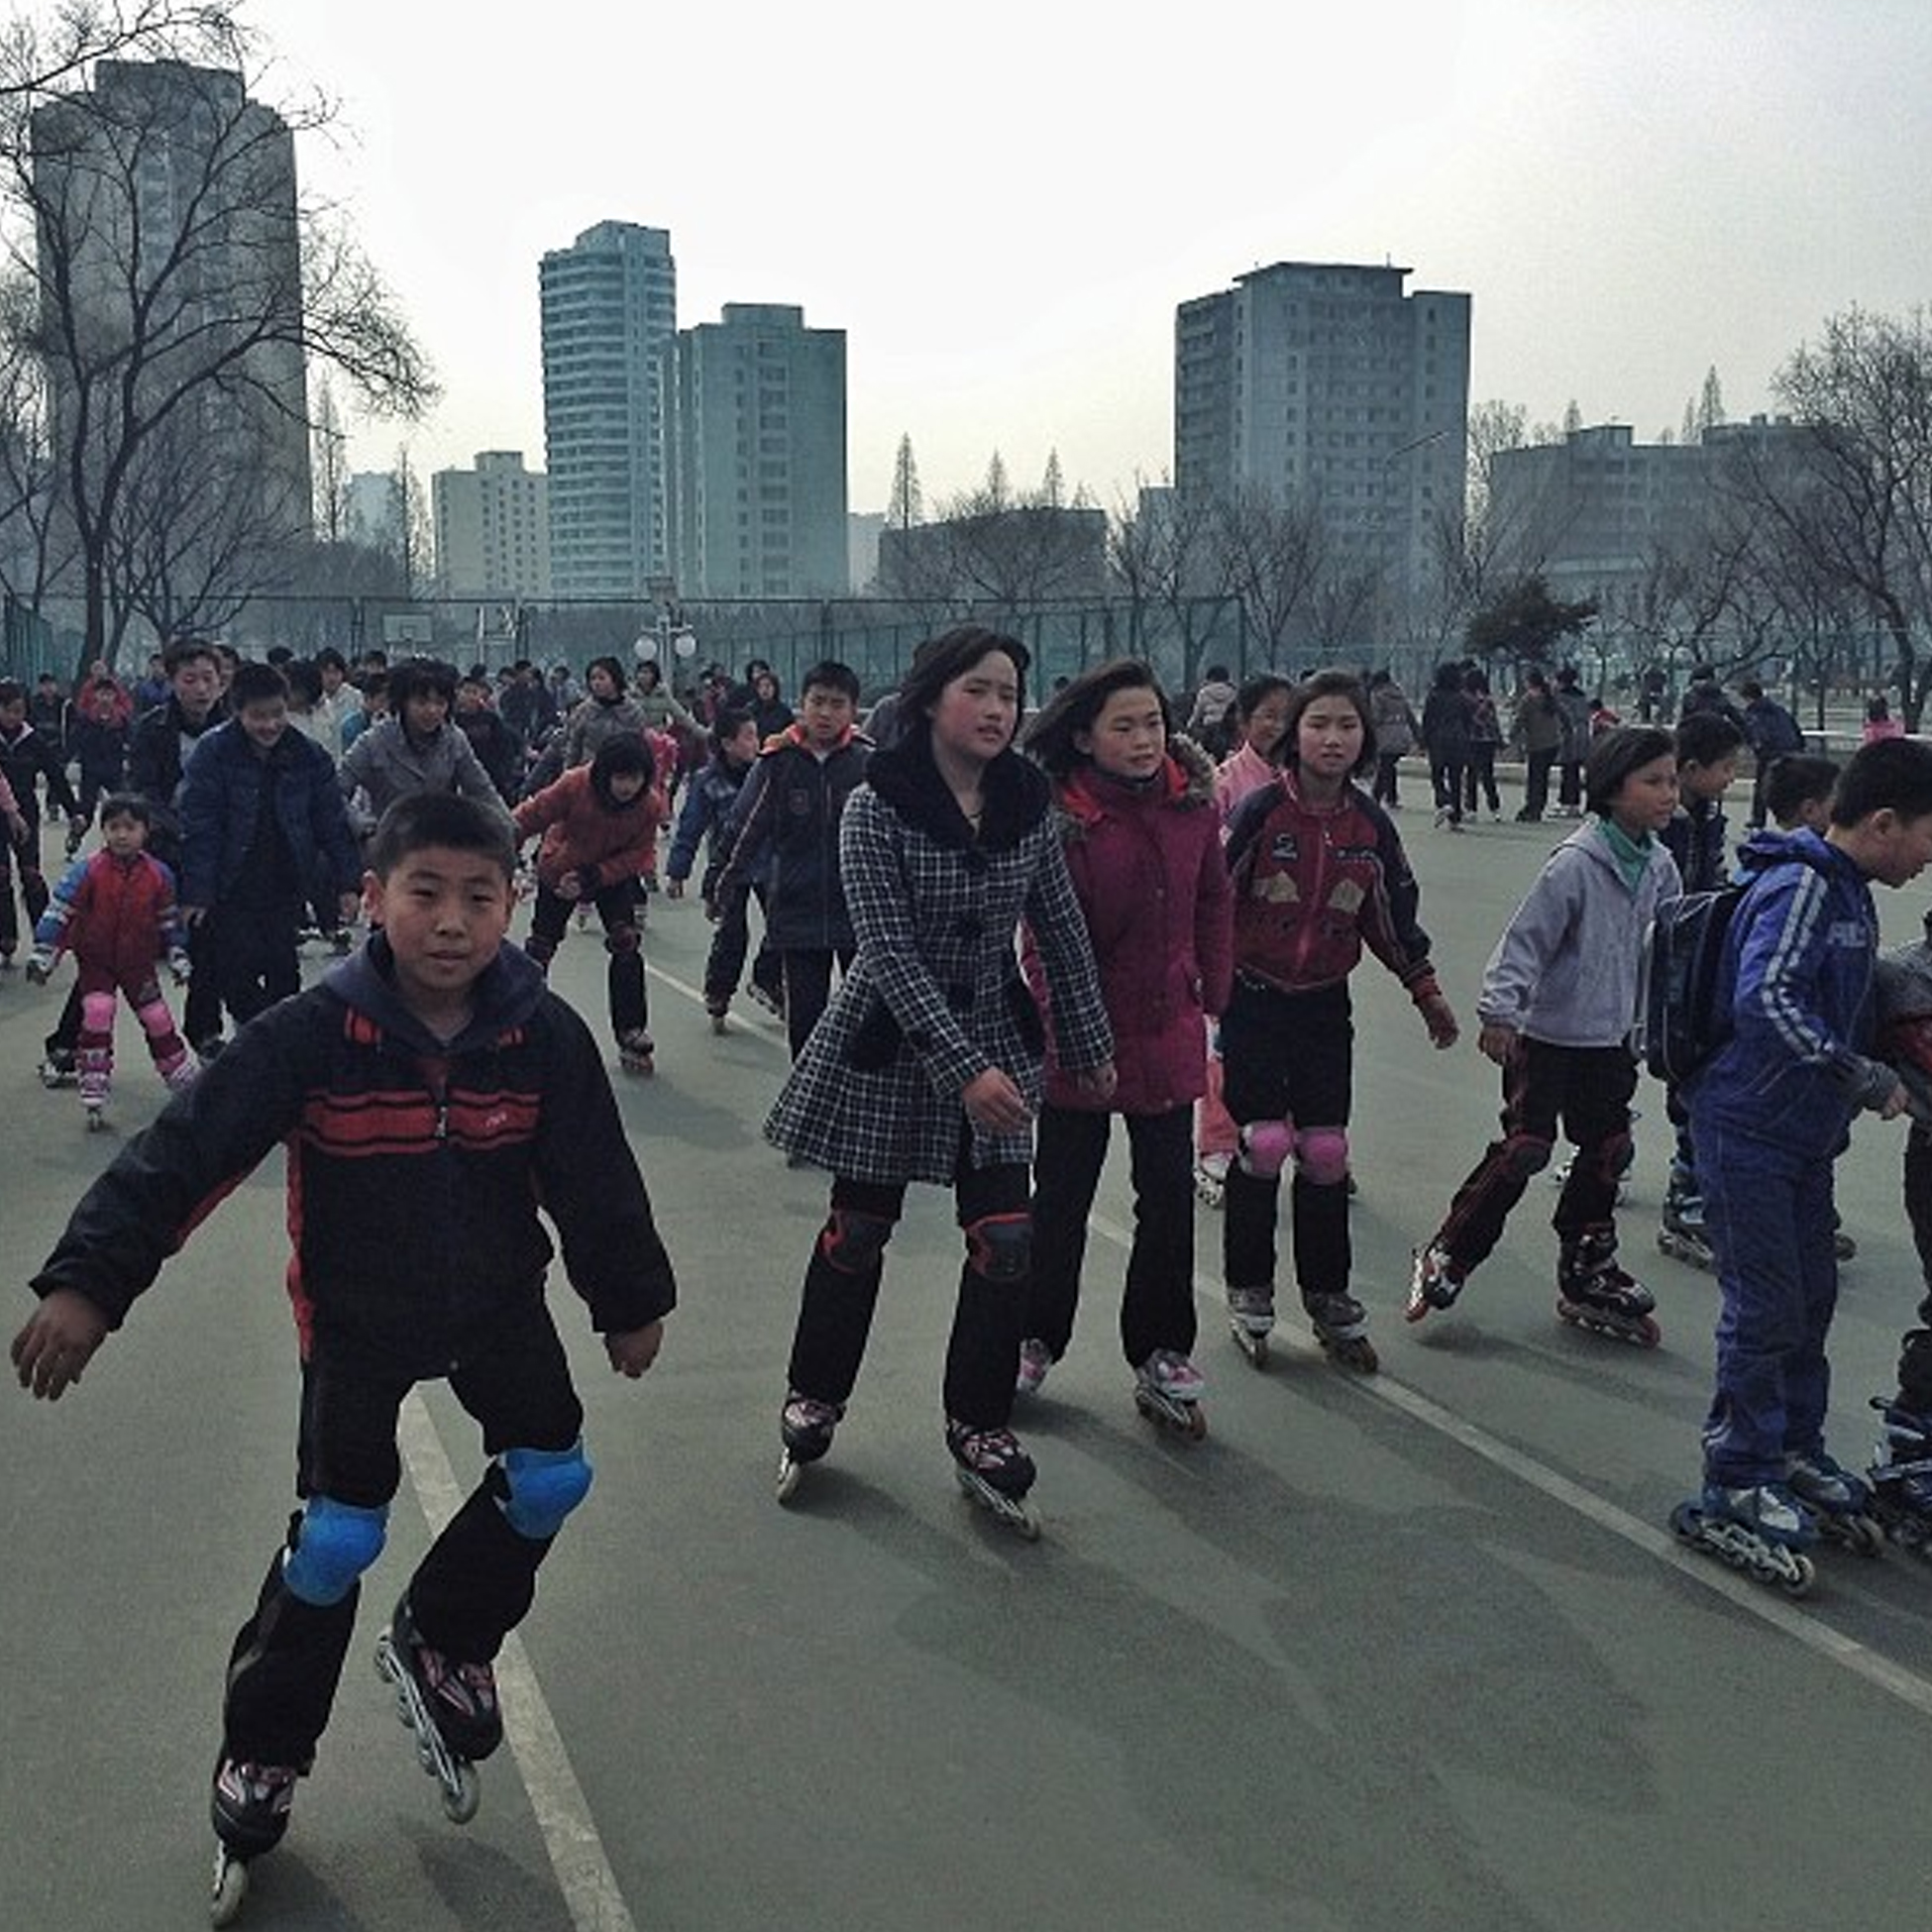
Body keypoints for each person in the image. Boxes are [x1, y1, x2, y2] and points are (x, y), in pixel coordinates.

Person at [11, 790, 676, 1878]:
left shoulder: (540, 1034)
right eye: (425, 895)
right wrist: (88, 1285)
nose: (452, 922)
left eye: (478, 898)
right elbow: (187, 1154)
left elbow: (595, 1180)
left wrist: (629, 1299)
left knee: (554, 1472)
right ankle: (264, 1751)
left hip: (498, 1303)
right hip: (358, 1318)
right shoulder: (315, 1035)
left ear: (514, 904)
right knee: (335, 1540)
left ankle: (446, 1637)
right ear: (373, 899)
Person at [762, 625, 1114, 1518]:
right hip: (890, 1044)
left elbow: (1062, 931)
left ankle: (979, 1420)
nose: (998, 709)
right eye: (979, 692)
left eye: (1010, 693)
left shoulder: (1028, 803)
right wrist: (961, 1069)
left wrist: (1089, 1041)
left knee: (1006, 1240)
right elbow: (883, 951)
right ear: (929, 701)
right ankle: (816, 1391)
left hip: (996, 1029)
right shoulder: (876, 806)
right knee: (860, 1229)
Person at [1674, 738, 1932, 1573]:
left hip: (1800, 1140)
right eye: (1930, 836)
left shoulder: (1851, 893)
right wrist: (1857, 1073)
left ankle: (1792, 1445)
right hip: (1746, 1130)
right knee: (1765, 1307)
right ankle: (1737, 1472)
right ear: (1886, 823)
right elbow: (1767, 1000)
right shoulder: (1803, 889)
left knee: (1810, 1296)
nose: (1931, 858)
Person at [1219, 669, 1460, 1371]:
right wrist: (1200, 984)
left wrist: (1426, 990)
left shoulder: (1369, 826)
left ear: (1365, 739)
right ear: (1294, 734)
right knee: (1262, 1144)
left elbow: (1390, 917)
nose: (1332, 738)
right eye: (1318, 724)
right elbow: (1214, 900)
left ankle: (1328, 1293)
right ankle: (1249, 1287)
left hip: (1325, 1003)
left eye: (1347, 726)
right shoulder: (1260, 813)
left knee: (1325, 1153)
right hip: (1254, 997)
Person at [1407, 727, 1681, 1338]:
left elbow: (1666, 955)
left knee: (1609, 1148)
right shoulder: (1576, 864)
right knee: (1527, 1147)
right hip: (1548, 1035)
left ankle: (1588, 1265)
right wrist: (1500, 1013)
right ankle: (1451, 1249)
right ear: (1612, 790)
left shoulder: (1660, 867)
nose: (1669, 793)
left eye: (1672, 780)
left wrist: (1664, 1028)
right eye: (1654, 781)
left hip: (1610, 1038)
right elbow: (1525, 941)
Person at [1014, 662, 1232, 1426]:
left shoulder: (1192, 807)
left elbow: (1213, 903)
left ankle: (1161, 1349)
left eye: (1153, 724)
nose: (1144, 741)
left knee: (1168, 1200)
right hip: (1081, 1033)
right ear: (1084, 737)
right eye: (1124, 726)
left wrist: (1215, 999)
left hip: (1168, 1027)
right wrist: (1069, 1027)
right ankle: (1033, 1335)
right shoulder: (1062, 818)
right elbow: (1042, 938)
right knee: (1062, 1197)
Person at [177, 661, 363, 1037]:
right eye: (258, 717)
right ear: (237, 711)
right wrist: (196, 893)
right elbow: (199, 827)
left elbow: (332, 823)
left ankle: (271, 1044)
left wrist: (347, 883)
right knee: (237, 972)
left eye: (278, 714)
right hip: (229, 884)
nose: (270, 726)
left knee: (283, 972)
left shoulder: (309, 756)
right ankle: (258, 1042)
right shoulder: (212, 752)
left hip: (285, 880)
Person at [710, 660, 871, 1060]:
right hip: (796, 907)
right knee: (806, 1017)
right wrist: (722, 881)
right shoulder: (777, 762)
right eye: (818, 702)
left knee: (868, 1017)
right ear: (802, 704)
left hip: (860, 911)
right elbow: (745, 825)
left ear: (853, 710)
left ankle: (861, 1101)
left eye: (837, 704)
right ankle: (807, 1101)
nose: (826, 713)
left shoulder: (868, 764)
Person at [26, 794, 194, 1122]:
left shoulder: (159, 874)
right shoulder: (87, 871)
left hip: (138, 963)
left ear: (146, 831)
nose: (121, 835)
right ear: (103, 830)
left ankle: (182, 1078)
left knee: (158, 1018)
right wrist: (45, 952)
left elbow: (169, 919)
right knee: (97, 1014)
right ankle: (93, 1082)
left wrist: (177, 953)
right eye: (113, 827)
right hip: (96, 961)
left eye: (130, 827)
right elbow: (60, 911)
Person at [511, 735, 664, 1074]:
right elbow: (530, 817)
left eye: (635, 778)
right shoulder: (575, 785)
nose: (627, 787)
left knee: (626, 944)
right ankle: (523, 1021)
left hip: (609, 875)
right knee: (541, 947)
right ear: (605, 773)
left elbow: (640, 854)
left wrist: (596, 875)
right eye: (620, 777)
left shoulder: (649, 805)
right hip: (561, 867)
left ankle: (630, 1029)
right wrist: (500, 847)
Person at [1657, 707, 1747, 1269]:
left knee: (1690, 1074)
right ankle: (1678, 1197)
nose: (1732, 778)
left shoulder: (1706, 815)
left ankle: (1691, 1187)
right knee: (1648, 1074)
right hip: (1659, 962)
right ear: (1690, 768)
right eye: (1726, 767)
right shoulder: (1663, 819)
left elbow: (1710, 878)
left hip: (1695, 961)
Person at [664, 707, 785, 1028]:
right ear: (727, 743)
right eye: (748, 736)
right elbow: (691, 825)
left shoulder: (767, 773)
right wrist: (678, 870)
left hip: (769, 864)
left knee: (784, 925)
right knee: (732, 933)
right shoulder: (707, 781)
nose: (755, 742)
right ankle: (719, 991)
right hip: (729, 868)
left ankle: (766, 978)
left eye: (756, 735)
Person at [338, 658, 503, 834]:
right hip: (389, 848)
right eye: (421, 702)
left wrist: (508, 828)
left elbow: (481, 790)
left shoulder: (455, 740)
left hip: (440, 844)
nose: (432, 710)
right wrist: (362, 826)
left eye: (440, 703)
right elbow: (334, 791)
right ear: (402, 703)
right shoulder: (373, 742)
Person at [0, 677, 81, 967]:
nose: (14, 717)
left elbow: (56, 777)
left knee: (31, 874)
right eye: (8, 710)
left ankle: (46, 936)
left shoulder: (32, 741)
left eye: (19, 711)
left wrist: (75, 812)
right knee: (1, 876)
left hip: (27, 814)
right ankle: (6, 935)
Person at [61, 678, 131, 851]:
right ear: (95, 696)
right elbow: (74, 741)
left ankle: (122, 840)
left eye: (109, 694)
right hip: (90, 770)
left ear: (115, 696)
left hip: (114, 770)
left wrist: (131, 759)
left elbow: (133, 742)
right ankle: (76, 835)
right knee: (86, 809)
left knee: (124, 805)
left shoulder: (122, 720)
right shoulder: (86, 718)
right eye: (102, 694)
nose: (105, 698)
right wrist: (65, 760)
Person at [1739, 679, 1806, 827]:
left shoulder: (1753, 713)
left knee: (1762, 787)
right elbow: (1795, 729)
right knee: (1790, 788)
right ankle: (1795, 819)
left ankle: (1758, 819)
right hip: (1792, 751)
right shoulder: (1779, 709)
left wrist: (1758, 750)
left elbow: (1757, 736)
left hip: (1770, 754)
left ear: (1747, 697)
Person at [452, 673, 526, 803]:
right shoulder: (451, 720)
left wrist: (503, 773)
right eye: (466, 691)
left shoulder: (491, 719)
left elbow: (505, 747)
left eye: (474, 692)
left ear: (481, 695)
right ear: (458, 693)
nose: (470, 696)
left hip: (491, 778)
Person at [1420, 661, 1472, 829]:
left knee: (1437, 775)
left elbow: (1427, 720)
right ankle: (1455, 819)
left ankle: (1444, 801)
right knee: (1456, 778)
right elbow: (1468, 721)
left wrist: (1424, 741)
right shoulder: (1461, 697)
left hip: (1438, 740)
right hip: (1458, 740)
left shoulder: (1433, 696)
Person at [1511, 669, 1564, 822]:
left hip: (1536, 744)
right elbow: (1563, 714)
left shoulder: (1527, 700)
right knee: (1542, 777)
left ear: (1529, 682)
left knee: (1534, 778)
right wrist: (1567, 731)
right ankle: (1538, 807)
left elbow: (1518, 721)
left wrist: (1511, 737)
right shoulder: (1550, 697)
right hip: (1553, 743)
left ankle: (1532, 808)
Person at [1365, 670, 1420, 808]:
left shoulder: (1377, 695)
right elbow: (1410, 717)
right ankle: (1391, 797)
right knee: (1389, 766)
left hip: (1385, 736)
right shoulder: (1399, 694)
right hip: (1401, 735)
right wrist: (1418, 735)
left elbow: (1376, 717)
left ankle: (1376, 797)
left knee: (1384, 766)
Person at [1462, 667, 1504, 821]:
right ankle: (1495, 808)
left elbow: (1465, 722)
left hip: (1472, 740)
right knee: (1488, 775)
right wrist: (1499, 740)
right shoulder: (1488, 699)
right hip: (1488, 741)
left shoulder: (1465, 699)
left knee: (1471, 775)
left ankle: (1471, 809)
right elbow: (1494, 723)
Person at [1552, 666, 1593, 816]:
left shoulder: (1560, 696)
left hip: (1569, 735)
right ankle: (1569, 803)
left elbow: (1562, 717)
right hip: (1583, 734)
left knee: (1568, 771)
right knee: (1573, 770)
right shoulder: (1581, 695)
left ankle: (1568, 803)